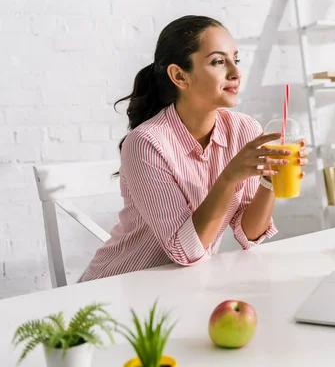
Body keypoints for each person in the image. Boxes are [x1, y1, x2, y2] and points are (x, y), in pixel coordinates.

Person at [80, 15, 309, 281]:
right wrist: (229, 177)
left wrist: (269, 181)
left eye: (236, 59)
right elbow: (185, 252)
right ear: (179, 76)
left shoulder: (244, 130)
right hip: (120, 286)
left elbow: (248, 235)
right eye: (218, 61)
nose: (235, 72)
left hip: (184, 284)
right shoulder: (146, 143)